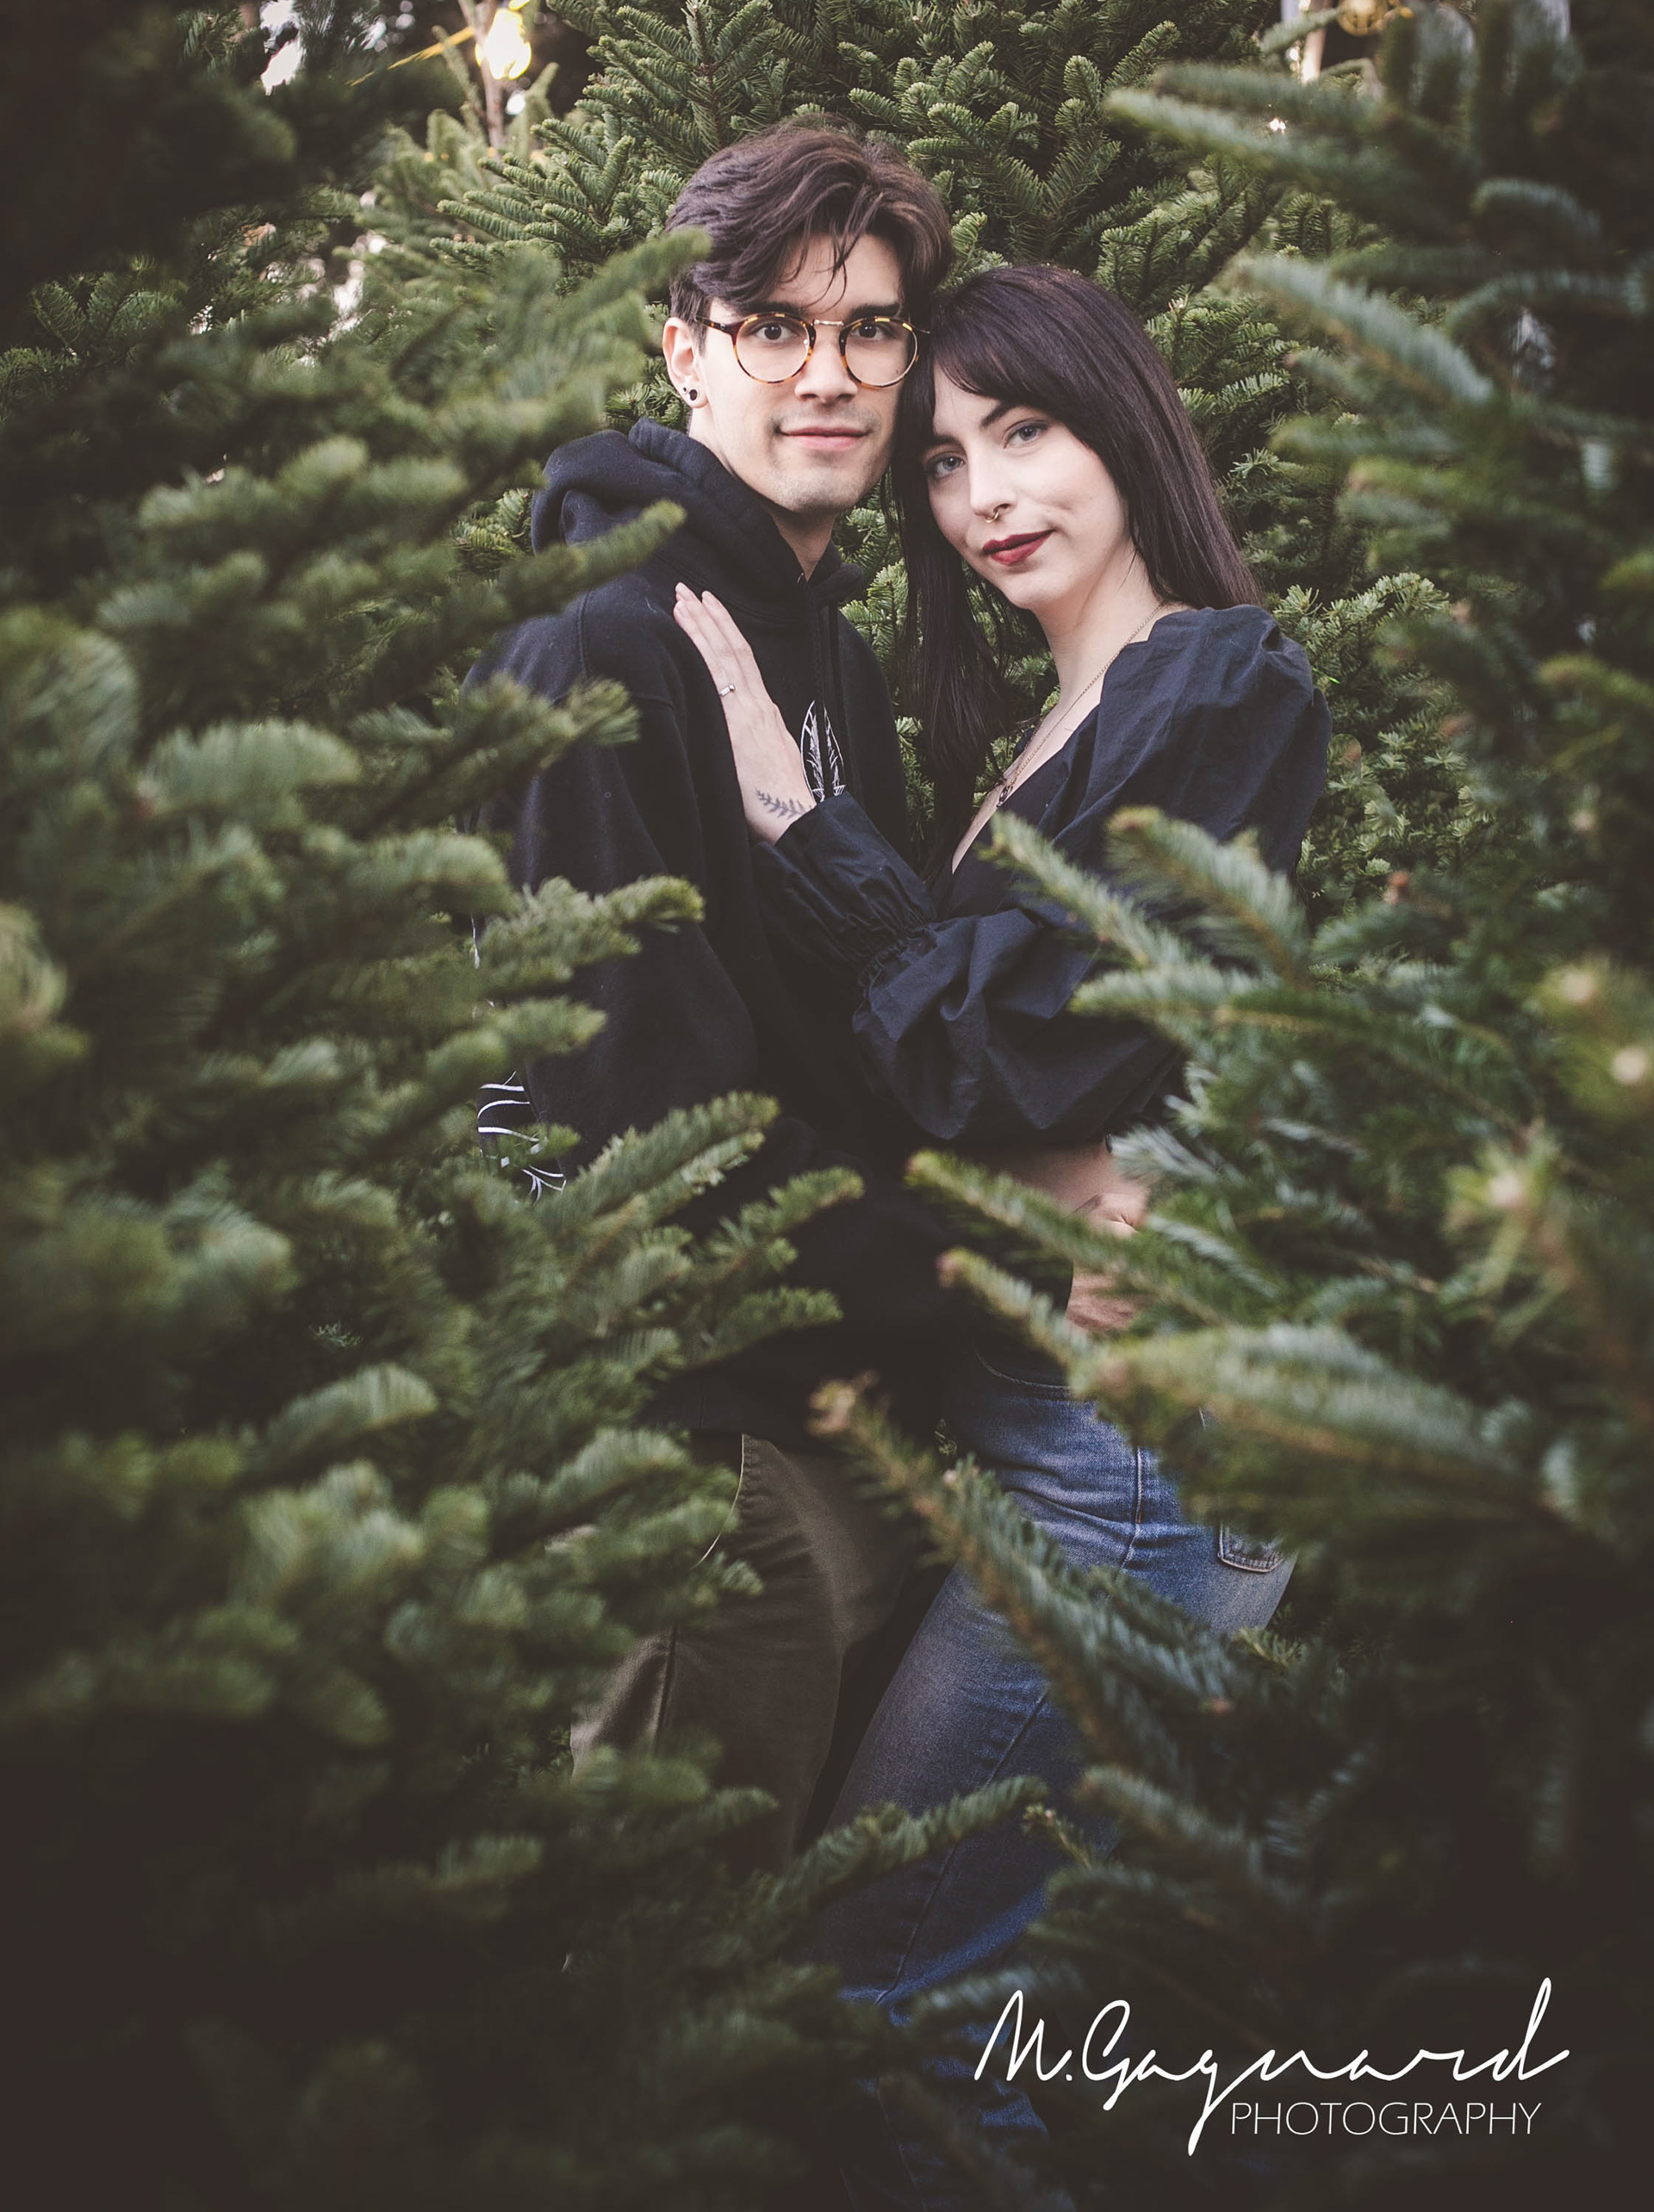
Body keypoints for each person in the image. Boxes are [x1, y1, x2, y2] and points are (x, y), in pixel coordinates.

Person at [672, 263, 1332, 2206]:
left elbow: (1014, 1050)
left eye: (1025, 431)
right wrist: (1046, 1172)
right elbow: (967, 1085)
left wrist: (797, 822)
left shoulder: (1222, 682)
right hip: (1046, 1432)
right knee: (921, 1984)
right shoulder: (1035, 742)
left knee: (898, 2000)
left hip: (1130, 1460)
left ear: (1124, 424)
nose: (985, 496)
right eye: (947, 462)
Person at [469, 122, 995, 1881]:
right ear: (684, 349)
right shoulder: (602, 643)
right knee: (649, 1974)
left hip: (837, 1430)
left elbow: (864, 1035)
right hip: (696, 1458)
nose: (827, 374)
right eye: (776, 327)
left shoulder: (829, 647)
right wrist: (985, 1265)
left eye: (871, 329)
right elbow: (634, 1127)